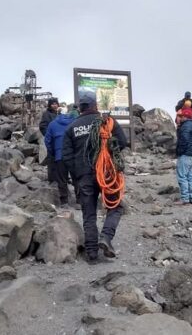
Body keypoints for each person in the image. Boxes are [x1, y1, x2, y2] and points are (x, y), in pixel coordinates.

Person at [62, 92, 127, 262]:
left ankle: (92, 253)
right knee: (116, 207)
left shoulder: (71, 128)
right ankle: (105, 237)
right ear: (95, 106)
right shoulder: (107, 122)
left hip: (84, 176)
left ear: (80, 108)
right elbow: (122, 141)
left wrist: (77, 175)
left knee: (89, 213)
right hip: (107, 173)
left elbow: (66, 157)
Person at [44, 107, 79, 207]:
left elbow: (47, 141)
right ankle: (79, 202)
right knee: (76, 178)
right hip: (73, 155)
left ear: (57, 114)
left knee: (62, 179)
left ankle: (64, 202)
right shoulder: (74, 122)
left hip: (60, 155)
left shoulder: (52, 124)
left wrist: (54, 152)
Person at [175, 108, 192, 205]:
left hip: (185, 154)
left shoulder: (185, 126)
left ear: (185, 116)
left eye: (182, 116)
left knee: (182, 176)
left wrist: (179, 151)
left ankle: (185, 198)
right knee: (190, 177)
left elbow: (184, 140)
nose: (180, 118)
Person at [39, 97, 59, 182]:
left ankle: (58, 178)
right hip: (52, 140)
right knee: (51, 159)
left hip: (58, 141)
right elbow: (42, 126)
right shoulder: (46, 114)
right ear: (49, 105)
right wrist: (49, 136)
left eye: (56, 104)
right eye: (53, 104)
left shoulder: (57, 114)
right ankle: (52, 179)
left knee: (58, 159)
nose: (54, 105)